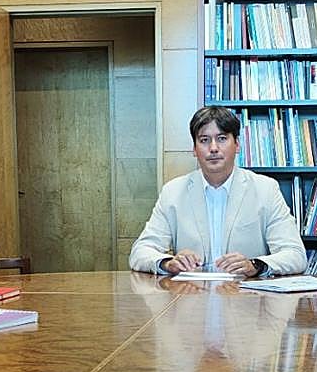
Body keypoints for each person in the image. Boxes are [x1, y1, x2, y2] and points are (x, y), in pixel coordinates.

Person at [129, 105, 306, 276]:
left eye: (222, 138)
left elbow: (296, 255)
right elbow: (140, 252)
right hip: (190, 297)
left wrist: (255, 265)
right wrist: (167, 263)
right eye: (204, 140)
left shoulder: (265, 189)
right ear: (194, 149)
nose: (213, 148)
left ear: (237, 144)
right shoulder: (173, 192)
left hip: (246, 299)